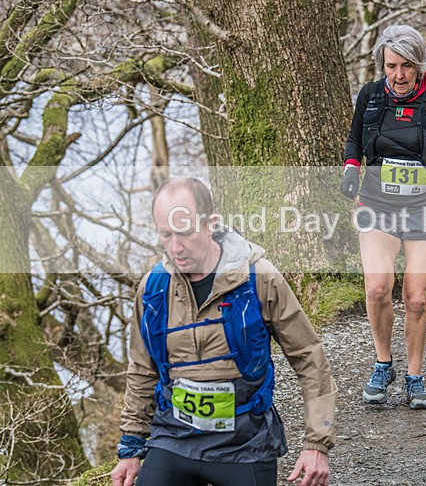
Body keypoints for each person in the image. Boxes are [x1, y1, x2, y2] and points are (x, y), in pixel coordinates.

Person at [110, 177, 336, 486]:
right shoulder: (153, 289)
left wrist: (316, 444)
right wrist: (131, 446)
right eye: (166, 234)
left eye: (186, 232)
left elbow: (309, 357)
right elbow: (142, 369)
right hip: (173, 438)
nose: (176, 247)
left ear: (211, 223)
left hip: (244, 443)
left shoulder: (259, 278)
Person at [341, 25, 426, 407]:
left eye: (406, 67)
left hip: (424, 208)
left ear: (419, 66)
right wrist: (351, 166)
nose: (398, 76)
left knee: (416, 298)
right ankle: (384, 364)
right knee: (377, 288)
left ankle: (415, 377)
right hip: (377, 207)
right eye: (391, 66)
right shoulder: (369, 95)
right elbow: (354, 139)